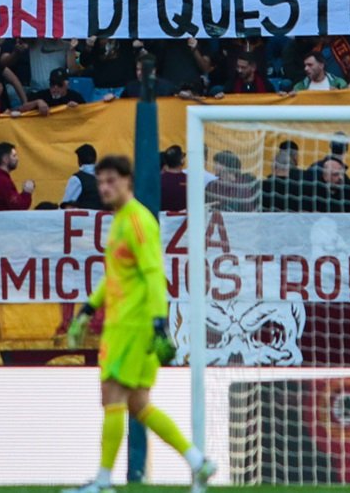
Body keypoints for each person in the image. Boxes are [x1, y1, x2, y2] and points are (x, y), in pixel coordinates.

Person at [60, 154, 217, 493]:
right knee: (139, 405)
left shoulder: (138, 221)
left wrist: (159, 323)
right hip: (123, 323)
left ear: (128, 182)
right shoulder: (118, 221)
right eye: (100, 182)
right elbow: (116, 274)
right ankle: (197, 462)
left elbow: (154, 273)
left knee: (111, 396)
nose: (104, 188)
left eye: (111, 181)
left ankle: (103, 481)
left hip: (135, 326)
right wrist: (88, 309)